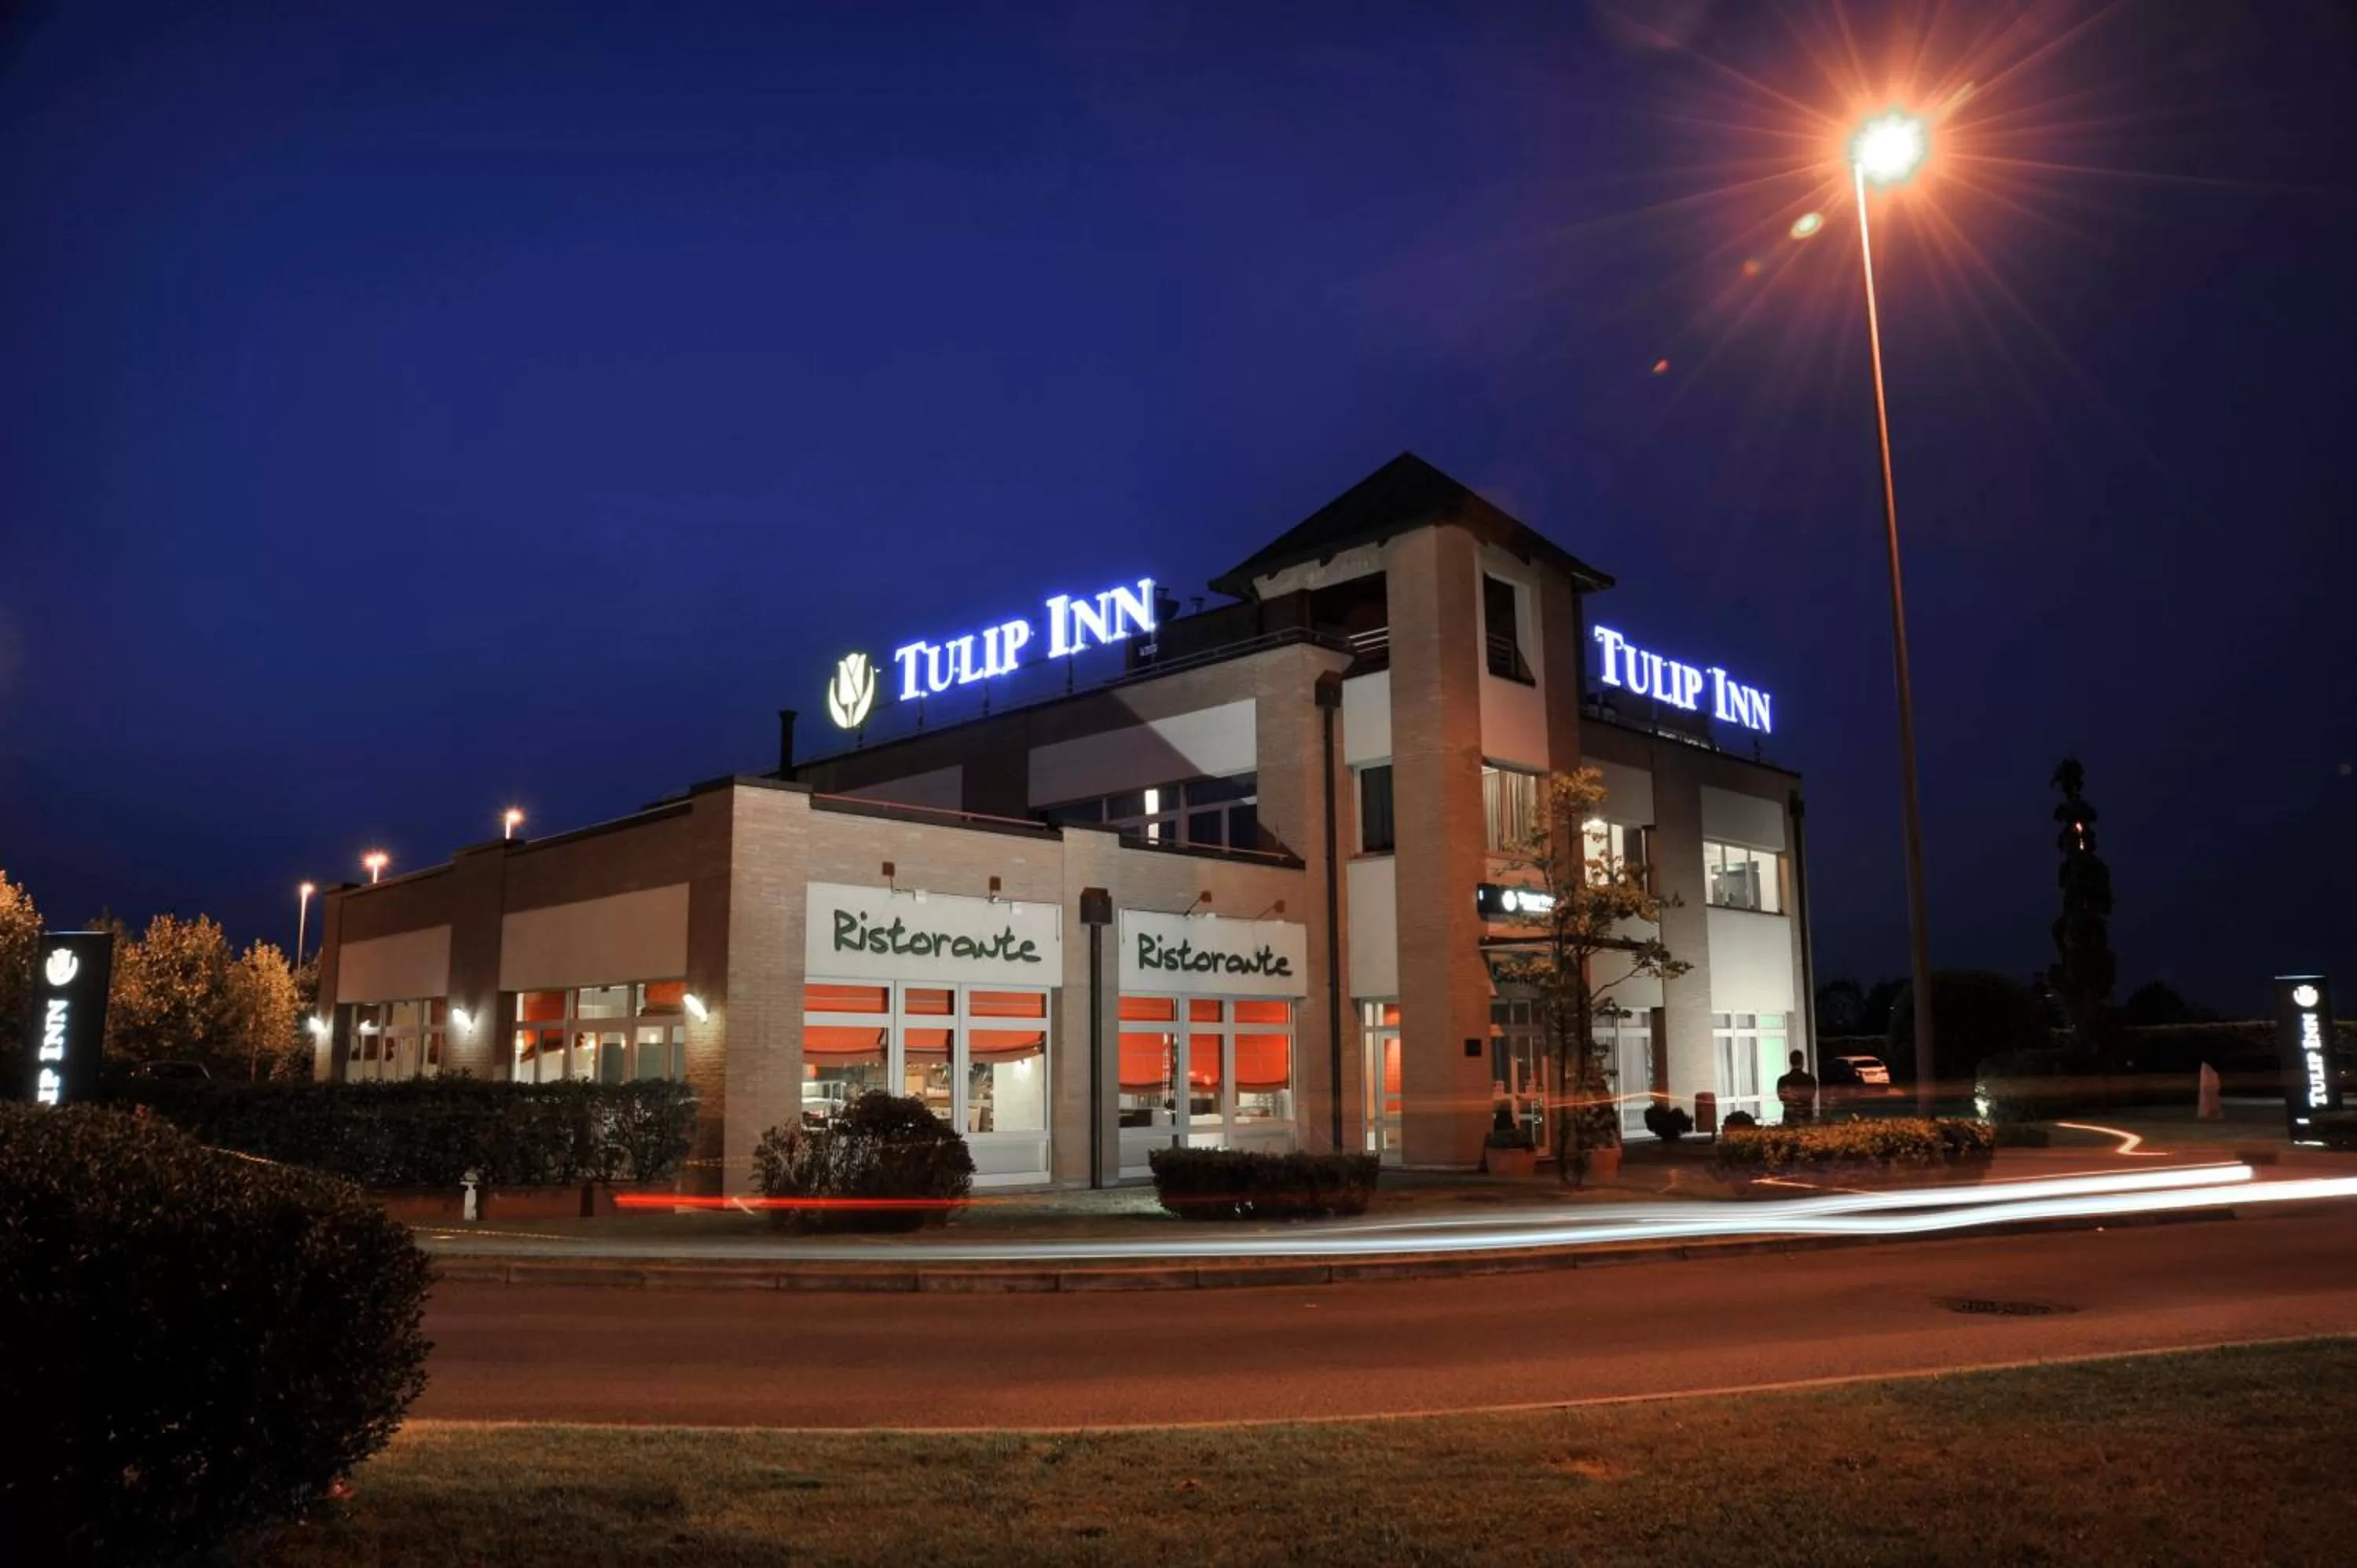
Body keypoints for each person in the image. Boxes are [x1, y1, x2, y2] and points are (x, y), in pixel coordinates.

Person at [1776, 1050, 1818, 1125]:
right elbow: (1812, 1095)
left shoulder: (1782, 1080)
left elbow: (1781, 1097)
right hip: (1806, 1117)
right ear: (1802, 1061)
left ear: (1790, 1062)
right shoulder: (1810, 1079)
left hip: (1789, 1117)